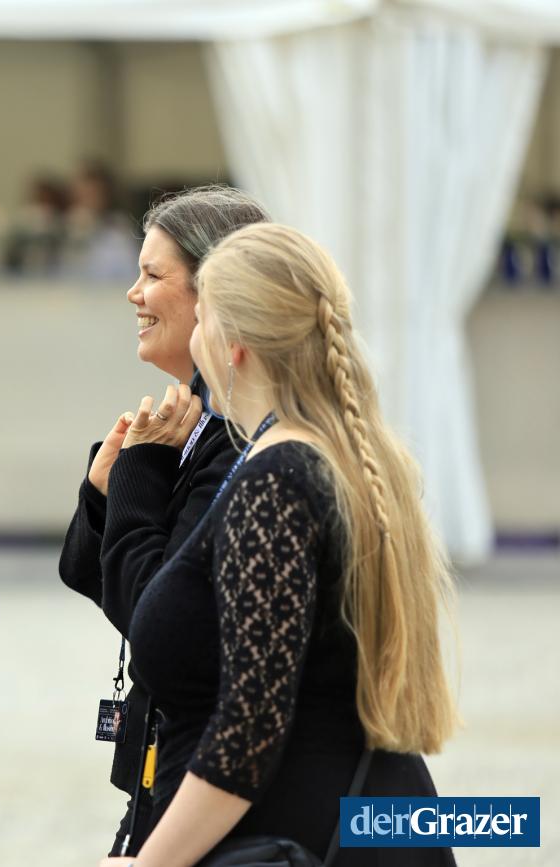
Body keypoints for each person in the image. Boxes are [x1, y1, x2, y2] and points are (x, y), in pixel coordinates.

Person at [99, 223, 459, 866]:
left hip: (301, 841)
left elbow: (248, 732)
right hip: (347, 826)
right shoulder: (331, 455)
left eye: (203, 318)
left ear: (233, 343)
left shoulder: (278, 478)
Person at [59, 186, 270, 857]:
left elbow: (154, 618)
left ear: (215, 294)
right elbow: (85, 570)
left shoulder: (245, 441)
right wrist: (106, 492)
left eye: (152, 275)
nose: (134, 294)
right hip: (167, 763)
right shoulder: (197, 414)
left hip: (207, 777)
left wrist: (141, 474)